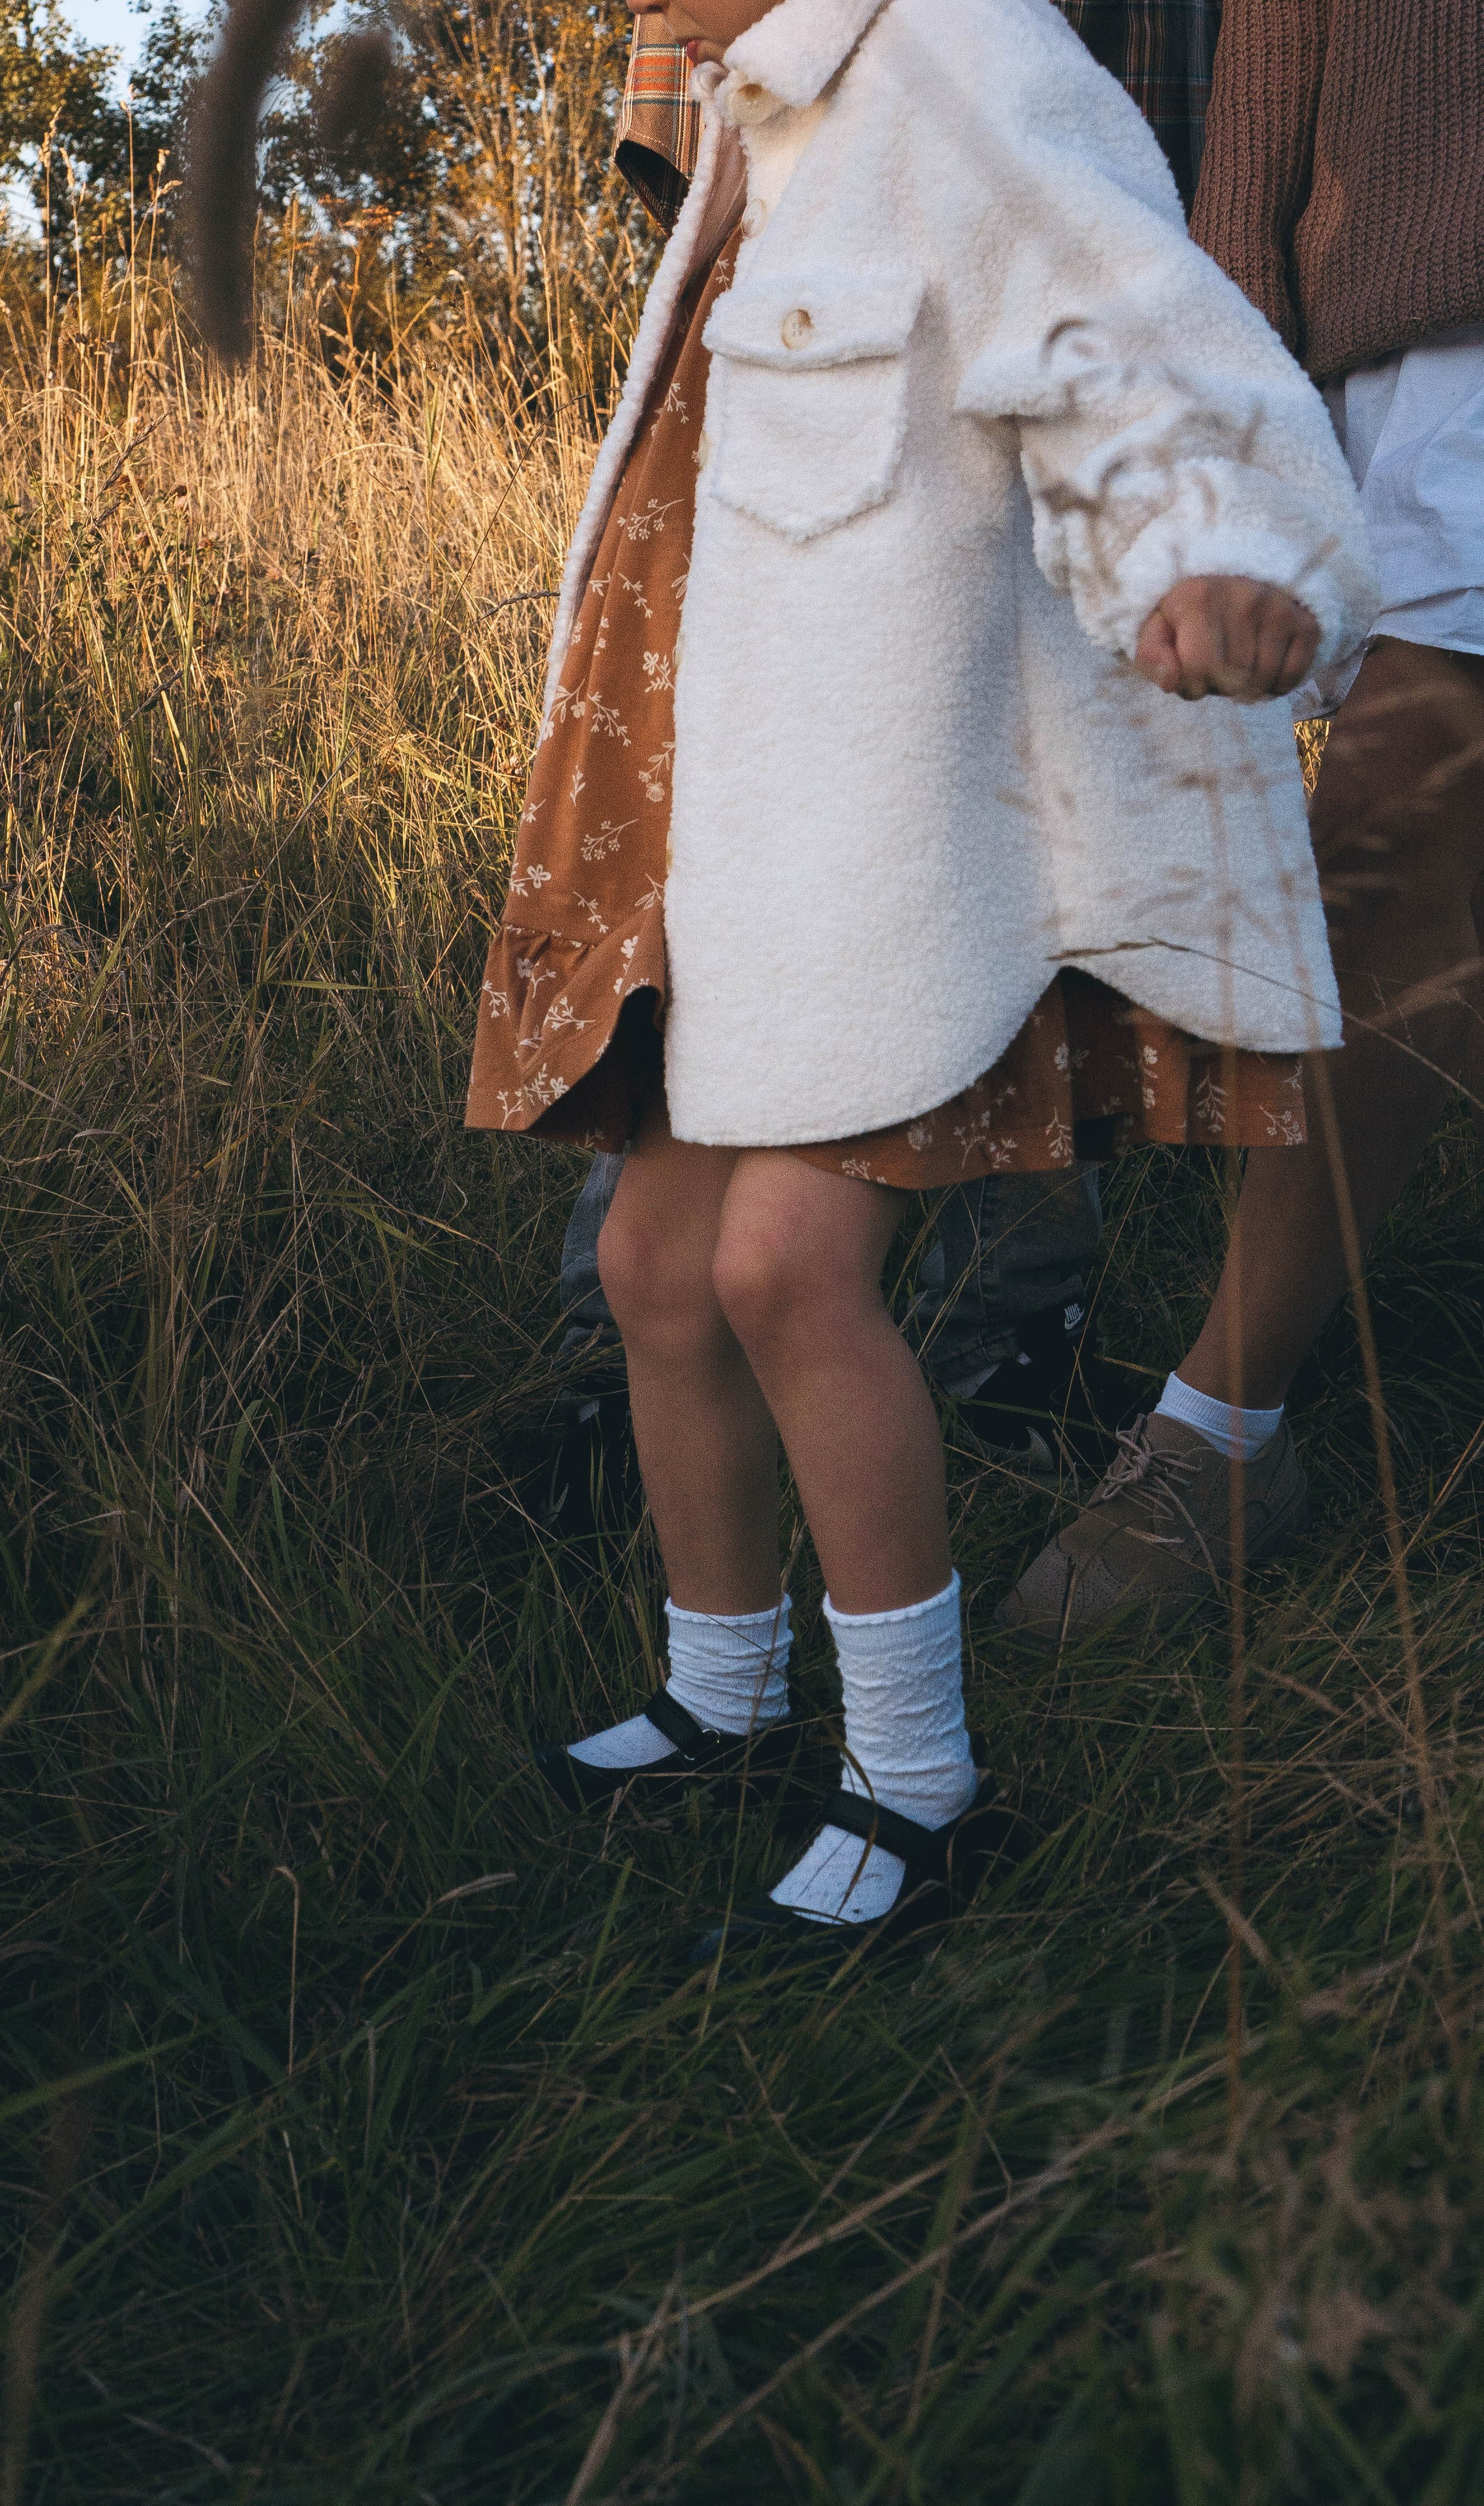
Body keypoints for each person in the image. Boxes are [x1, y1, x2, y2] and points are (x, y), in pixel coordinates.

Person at [467, 0, 1374, 1952]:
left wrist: (1217, 553)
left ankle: (923, 1785)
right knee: (649, 1266)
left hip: (898, 835)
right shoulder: (748, 117)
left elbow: (1147, 346)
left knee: (785, 1269)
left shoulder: (972, 62)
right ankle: (723, 1706)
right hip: (727, 827)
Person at [544, 0, 1226, 1502]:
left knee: (994, 824)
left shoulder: (999, 70)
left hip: (1037, 254)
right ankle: (652, 1366)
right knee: (765, 849)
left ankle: (1002, 1325)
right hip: (820, 258)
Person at [1003, 0, 1484, 1637]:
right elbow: (1282, 50)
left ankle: (1215, 1428)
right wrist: (1218, 383)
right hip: (1394, 341)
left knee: (1395, 832)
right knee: (1383, 866)